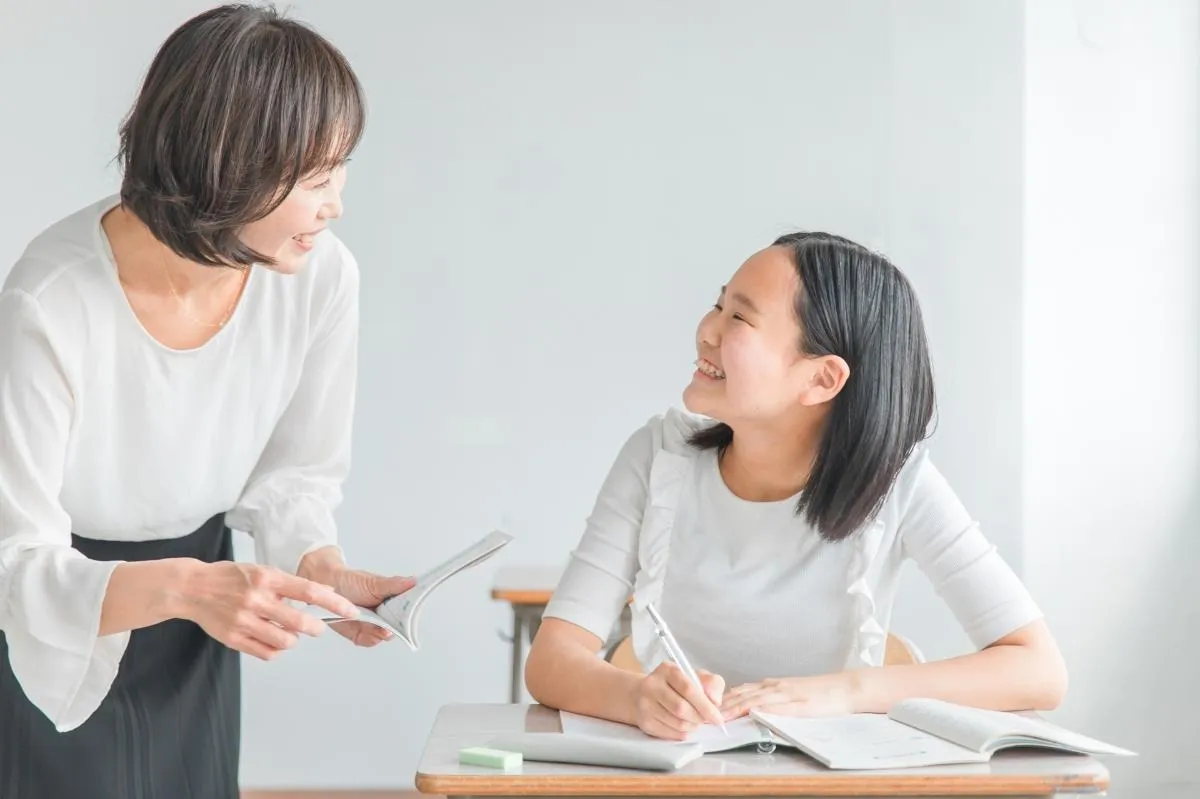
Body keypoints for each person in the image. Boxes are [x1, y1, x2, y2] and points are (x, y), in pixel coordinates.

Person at [0, 5, 409, 797]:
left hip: (200, 614)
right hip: (52, 617)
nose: (337, 204)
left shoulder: (323, 278)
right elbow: (13, 558)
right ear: (229, 165)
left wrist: (320, 570)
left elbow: (293, 480)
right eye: (316, 177)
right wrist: (187, 587)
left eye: (340, 169)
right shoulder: (49, 302)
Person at [525, 232, 1069, 740]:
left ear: (821, 378)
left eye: (739, 317)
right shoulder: (656, 456)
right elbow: (552, 660)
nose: (707, 329)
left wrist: (847, 691)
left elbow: (1038, 669)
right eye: (718, 304)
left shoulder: (897, 482)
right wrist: (638, 699)